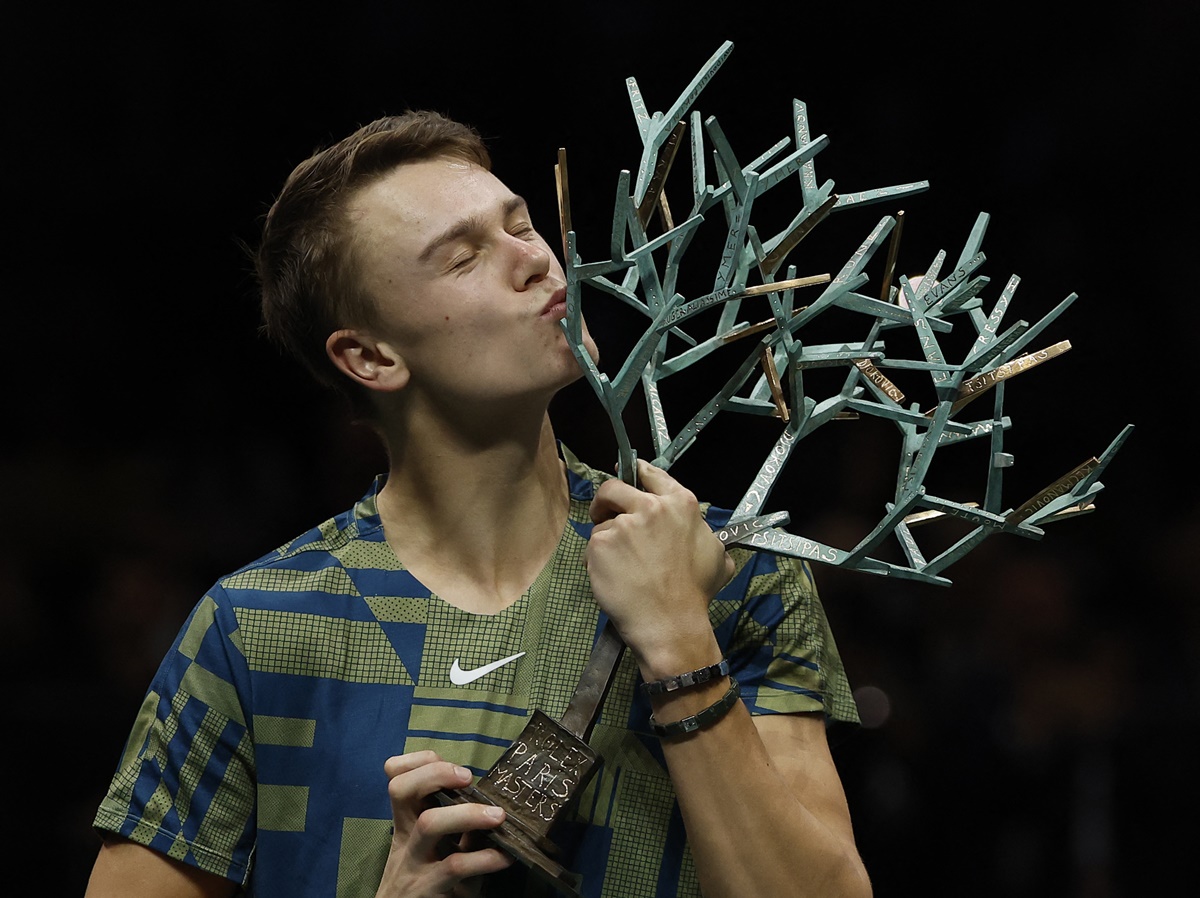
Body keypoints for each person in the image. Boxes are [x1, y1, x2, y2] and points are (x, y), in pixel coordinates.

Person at [84, 109, 872, 898]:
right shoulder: (256, 628)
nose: (534, 260)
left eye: (522, 225)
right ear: (369, 356)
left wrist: (678, 644)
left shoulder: (725, 565)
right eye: (464, 258)